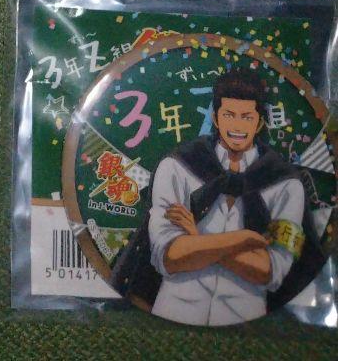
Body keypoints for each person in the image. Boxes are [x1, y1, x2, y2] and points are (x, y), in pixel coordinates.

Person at [111, 69, 320, 326]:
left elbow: (270, 271)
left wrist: (196, 237)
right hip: (170, 315)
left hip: (246, 325)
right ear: (215, 118)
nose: (237, 126)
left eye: (246, 117)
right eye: (229, 115)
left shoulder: (287, 185)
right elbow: (171, 256)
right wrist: (244, 239)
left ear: (259, 123)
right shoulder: (176, 167)